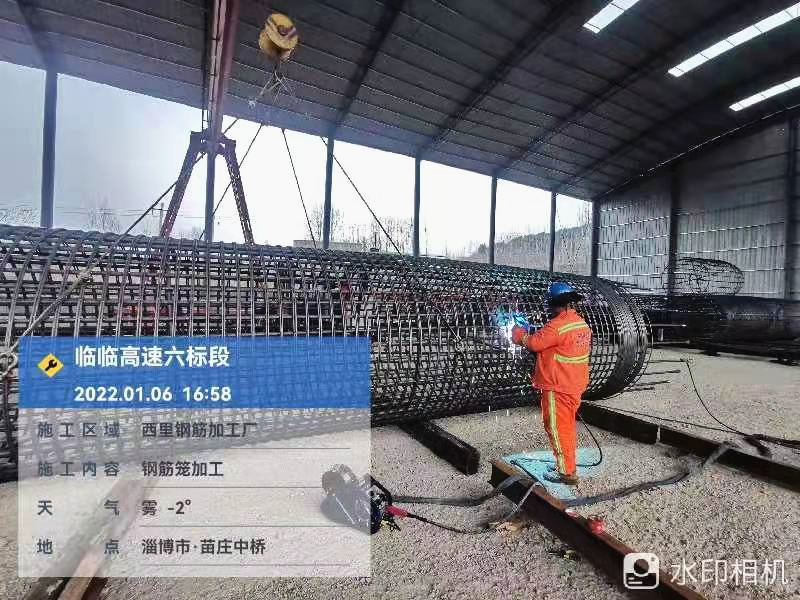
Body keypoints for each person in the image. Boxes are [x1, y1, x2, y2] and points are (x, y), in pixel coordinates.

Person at [511, 282, 591, 485]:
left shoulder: (556, 326)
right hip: (574, 384)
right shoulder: (580, 323)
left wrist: (519, 334)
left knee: (557, 429)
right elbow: (555, 345)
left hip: (558, 387)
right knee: (566, 427)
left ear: (555, 304)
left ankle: (567, 473)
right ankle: (566, 465)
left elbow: (533, 343)